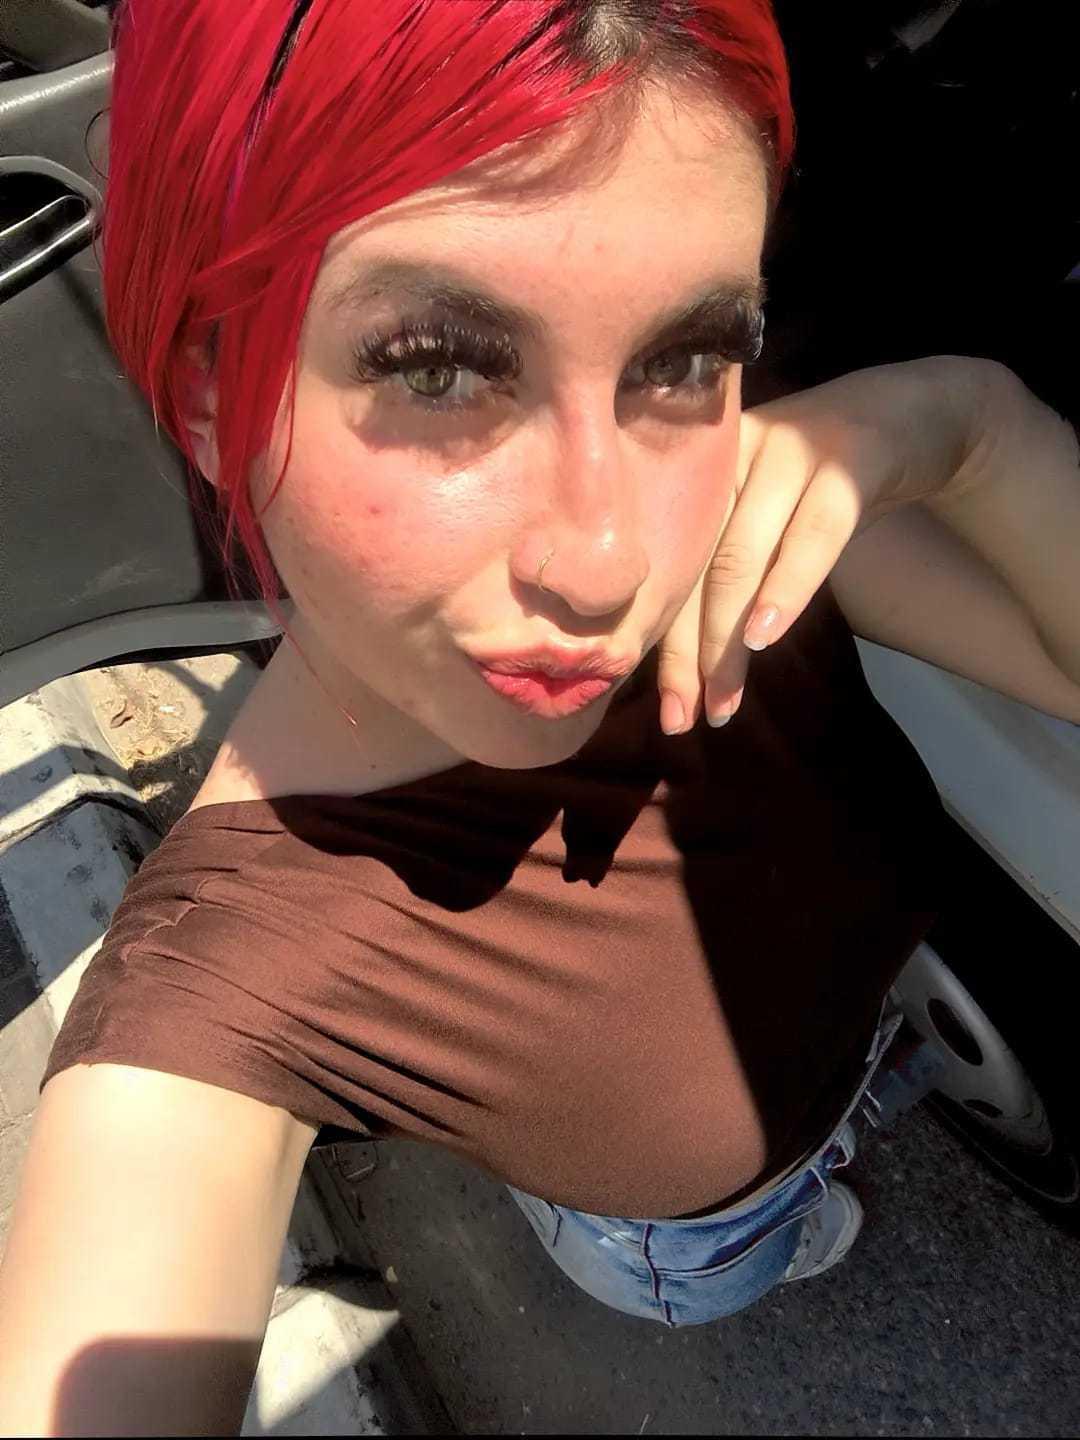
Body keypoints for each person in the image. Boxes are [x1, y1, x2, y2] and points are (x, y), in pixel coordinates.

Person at [2, 0, 1079, 1432]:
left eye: (683, 358)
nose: (610, 560)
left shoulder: (746, 510)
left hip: (869, 1032)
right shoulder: (228, 990)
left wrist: (970, 428)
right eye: (437, 368)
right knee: (755, 1248)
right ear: (206, 399)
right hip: (692, 1239)